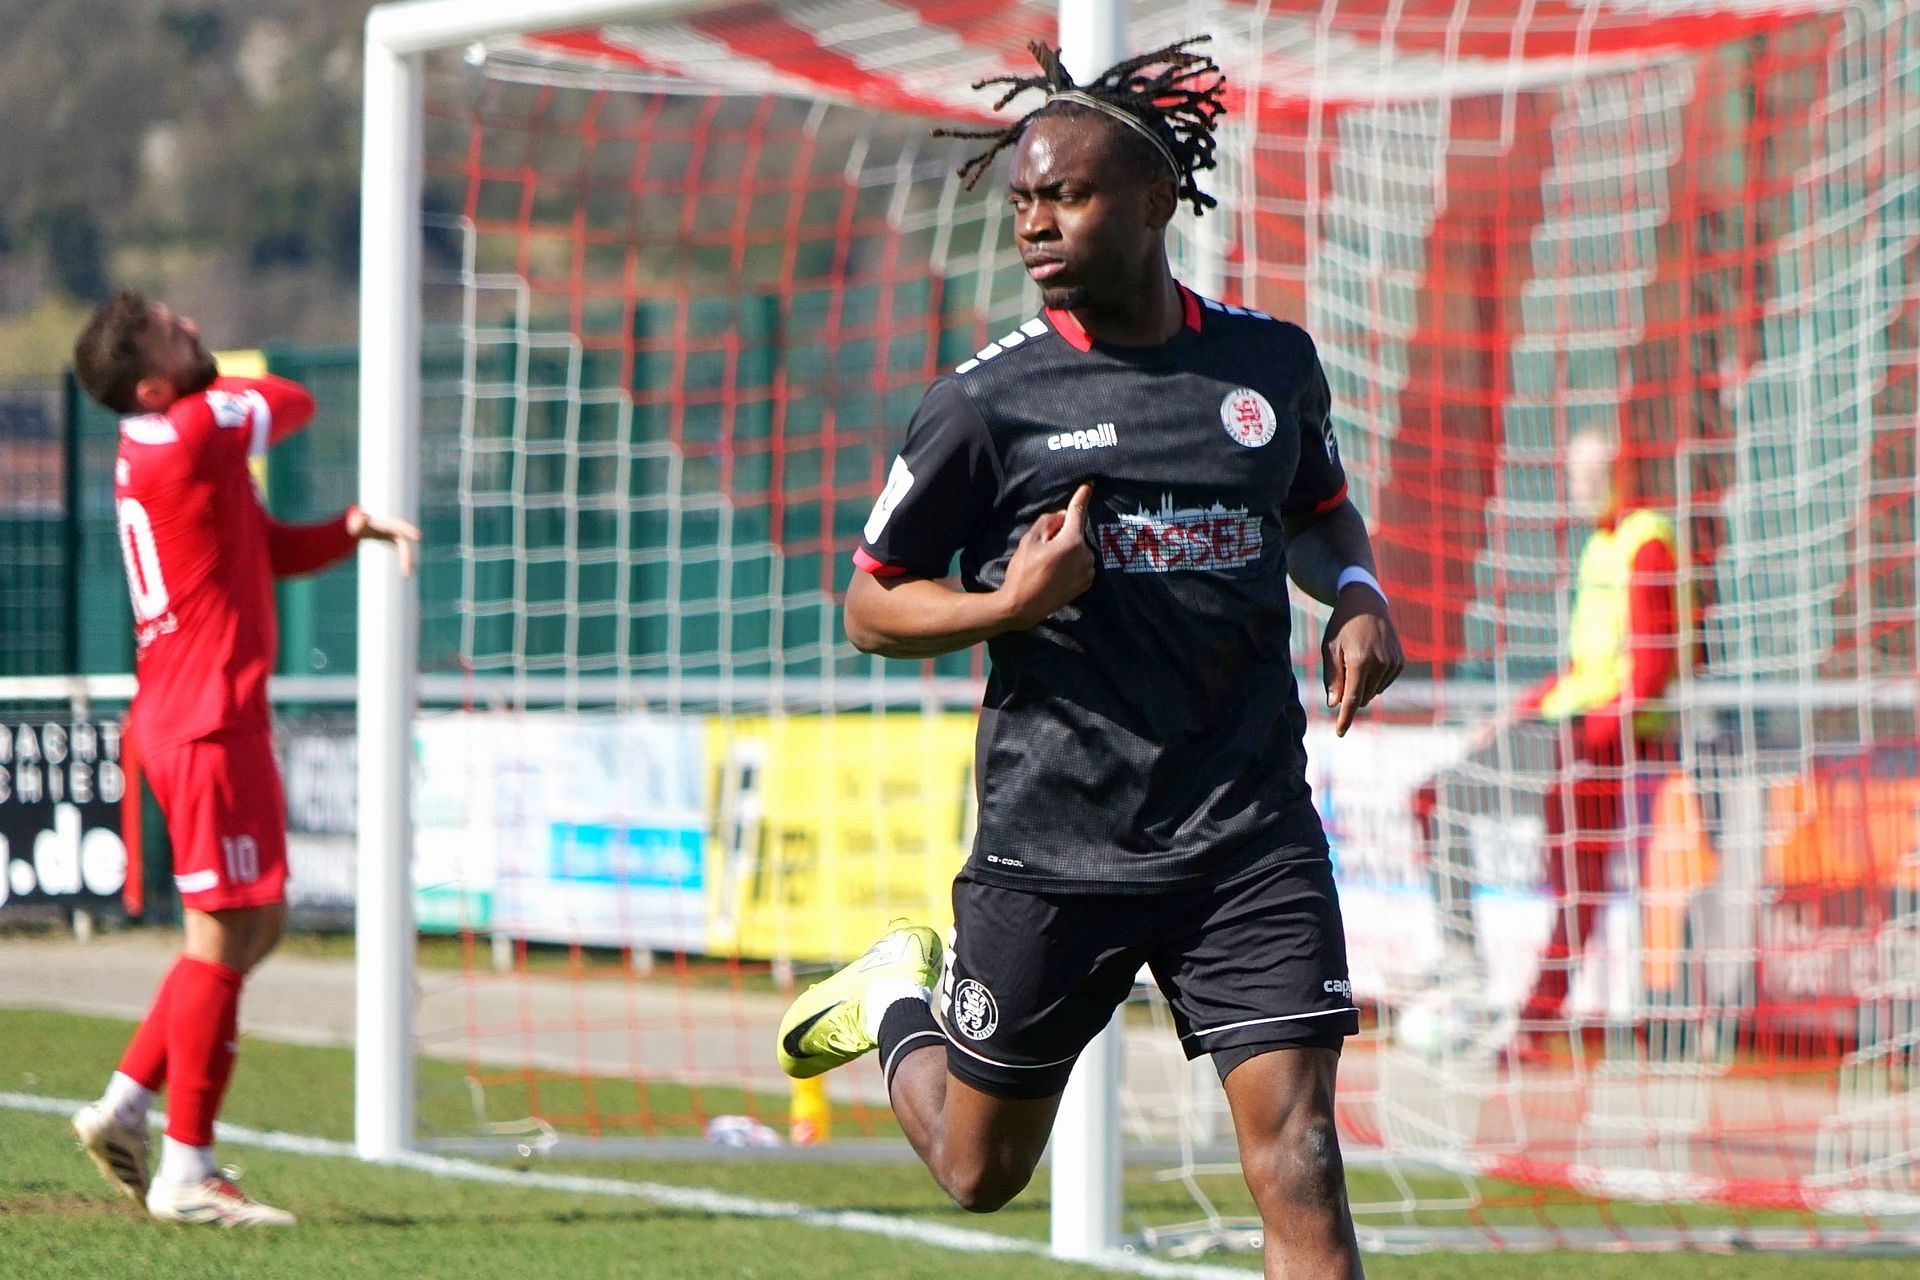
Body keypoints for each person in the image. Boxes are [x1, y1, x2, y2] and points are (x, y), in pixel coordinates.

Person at [775, 39, 1402, 1279]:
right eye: (1023, 200)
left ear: (1157, 199)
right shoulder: (986, 405)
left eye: (1065, 195)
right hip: (1056, 841)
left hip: (1245, 831)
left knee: (1301, 1153)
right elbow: (870, 605)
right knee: (979, 1170)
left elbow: (1320, 513)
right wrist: (1008, 601)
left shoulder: (1268, 366)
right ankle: (899, 993)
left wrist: (1359, 593)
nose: (1034, 223)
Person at [66, 290, 419, 1227]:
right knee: (224, 937)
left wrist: (347, 529)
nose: (191, 325)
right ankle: (187, 1168)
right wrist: (225, 391)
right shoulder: (191, 430)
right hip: (206, 722)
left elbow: (263, 551)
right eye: (170, 331)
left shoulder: (170, 442)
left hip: (205, 715)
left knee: (254, 928)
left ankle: (126, 1107)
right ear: (151, 384)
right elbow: (294, 401)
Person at [1416, 428, 1683, 1035]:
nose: (1581, 488)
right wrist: (1515, 711)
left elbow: (1650, 670)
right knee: (1435, 797)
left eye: (1593, 475)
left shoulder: (1647, 543)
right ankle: (1463, 962)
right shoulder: (1599, 545)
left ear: (1624, 470)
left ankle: (1535, 1022)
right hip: (1564, 725)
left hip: (1602, 740)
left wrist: (1594, 735)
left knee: (1578, 881)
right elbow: (1583, 667)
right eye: (1575, 476)